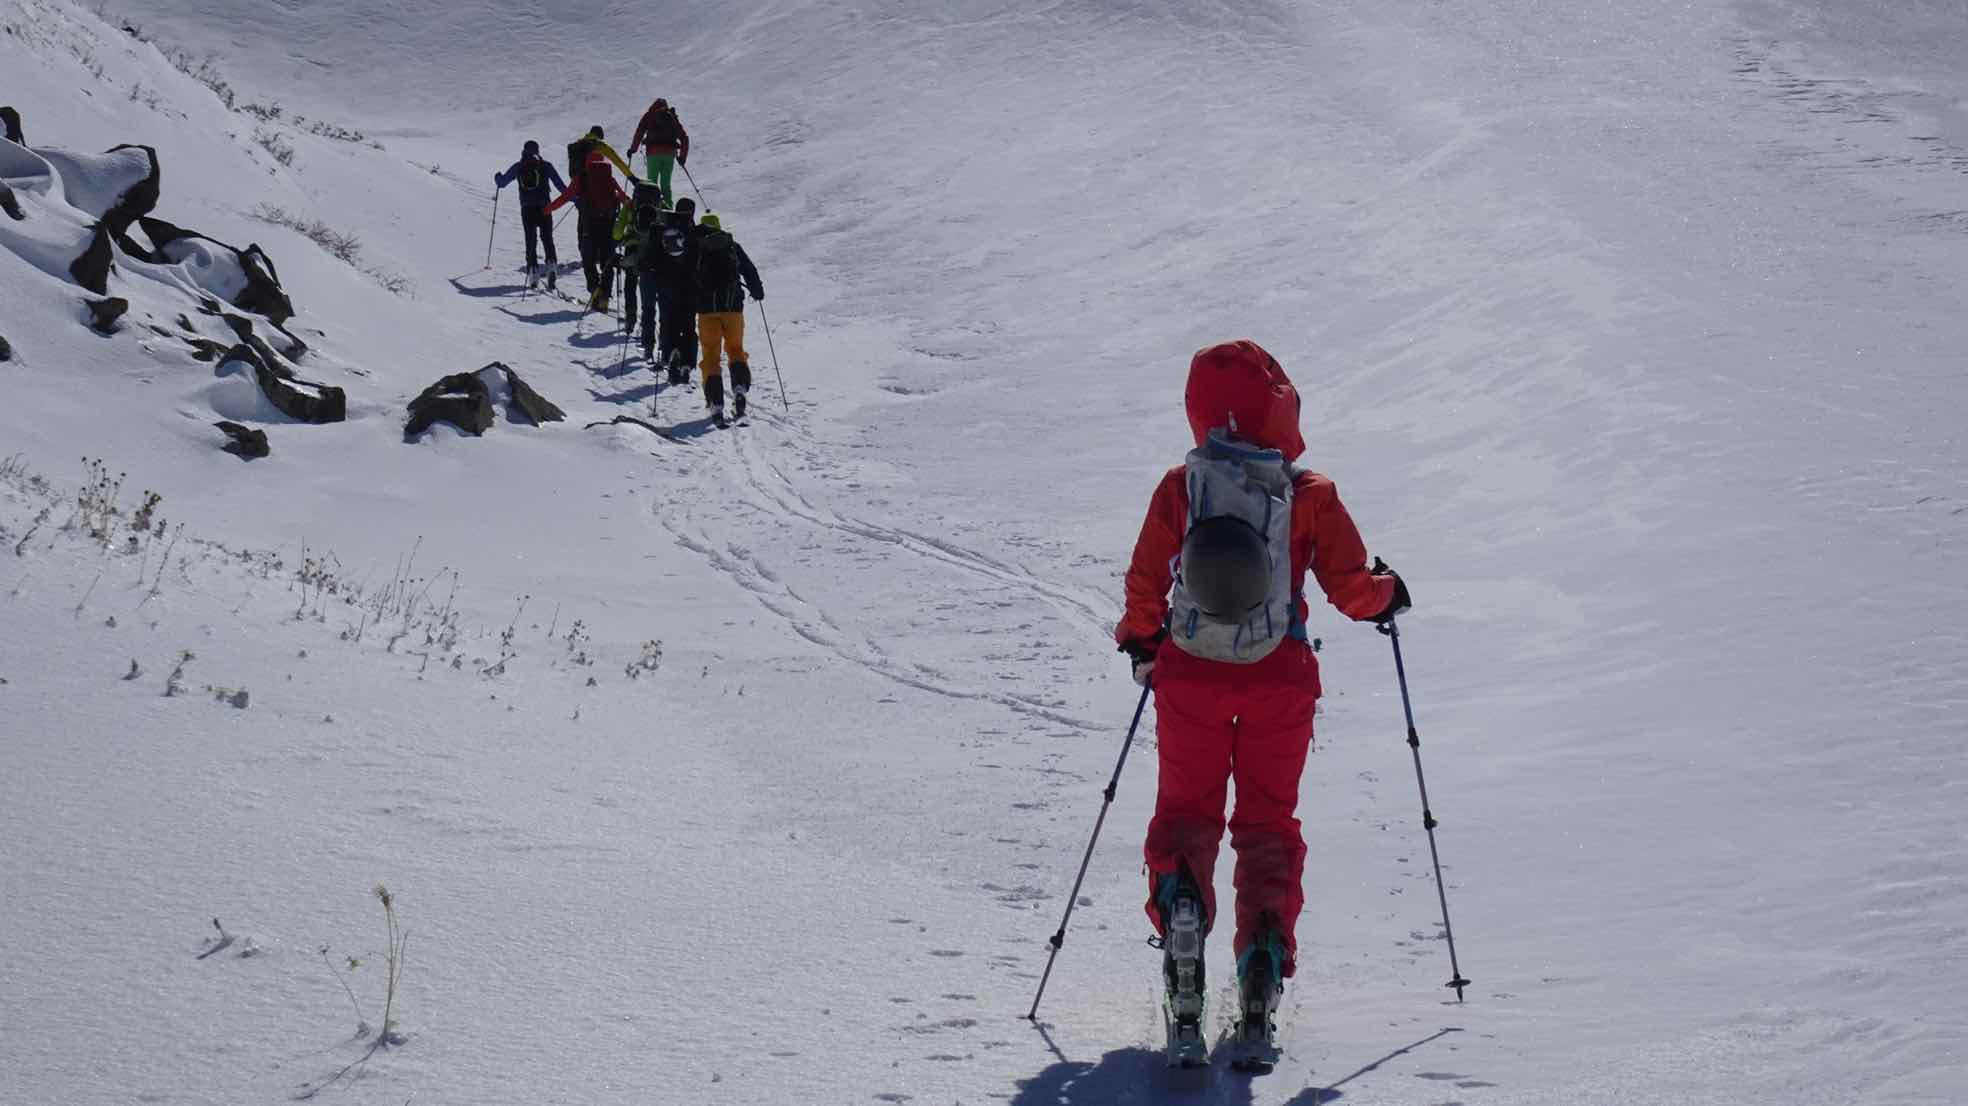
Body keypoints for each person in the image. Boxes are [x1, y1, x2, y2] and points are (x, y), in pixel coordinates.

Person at [1113, 340, 1409, 1066]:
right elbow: (1349, 590)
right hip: (1280, 679)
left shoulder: (1180, 488)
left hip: (1191, 677)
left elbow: (1146, 583)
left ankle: (1183, 911)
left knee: (1187, 815)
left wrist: (1141, 642)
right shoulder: (1310, 494)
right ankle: (1262, 962)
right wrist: (1387, 594)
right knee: (1267, 823)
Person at [691, 213, 763, 426]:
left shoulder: (697, 247)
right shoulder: (731, 246)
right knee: (735, 350)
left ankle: (715, 404)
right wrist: (757, 291)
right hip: (733, 310)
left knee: (711, 357)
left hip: (706, 311)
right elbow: (749, 269)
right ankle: (739, 390)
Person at [544, 134, 631, 310]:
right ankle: (605, 296)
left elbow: (566, 196)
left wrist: (547, 209)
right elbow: (623, 199)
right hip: (608, 223)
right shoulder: (610, 178)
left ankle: (594, 289)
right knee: (607, 260)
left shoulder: (582, 177)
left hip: (588, 224)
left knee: (588, 258)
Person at [637, 196, 700, 381]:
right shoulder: (691, 230)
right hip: (688, 285)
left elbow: (651, 255)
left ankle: (668, 353)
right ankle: (687, 361)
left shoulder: (663, 227)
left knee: (667, 320)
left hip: (665, 282)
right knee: (688, 325)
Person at [493, 140, 566, 288]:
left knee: (530, 239)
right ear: (538, 150)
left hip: (527, 208)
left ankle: (533, 272)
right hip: (545, 207)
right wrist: (576, 199)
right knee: (547, 237)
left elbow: (502, 183)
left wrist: (497, 177)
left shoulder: (519, 166)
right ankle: (551, 265)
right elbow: (561, 187)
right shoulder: (545, 166)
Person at [627, 98, 689, 209]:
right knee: (666, 184)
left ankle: (652, 209)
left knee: (652, 183)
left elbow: (640, 131)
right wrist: (682, 158)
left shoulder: (649, 115)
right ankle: (668, 209)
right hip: (669, 154)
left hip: (653, 153)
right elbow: (684, 138)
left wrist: (633, 149)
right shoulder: (671, 117)